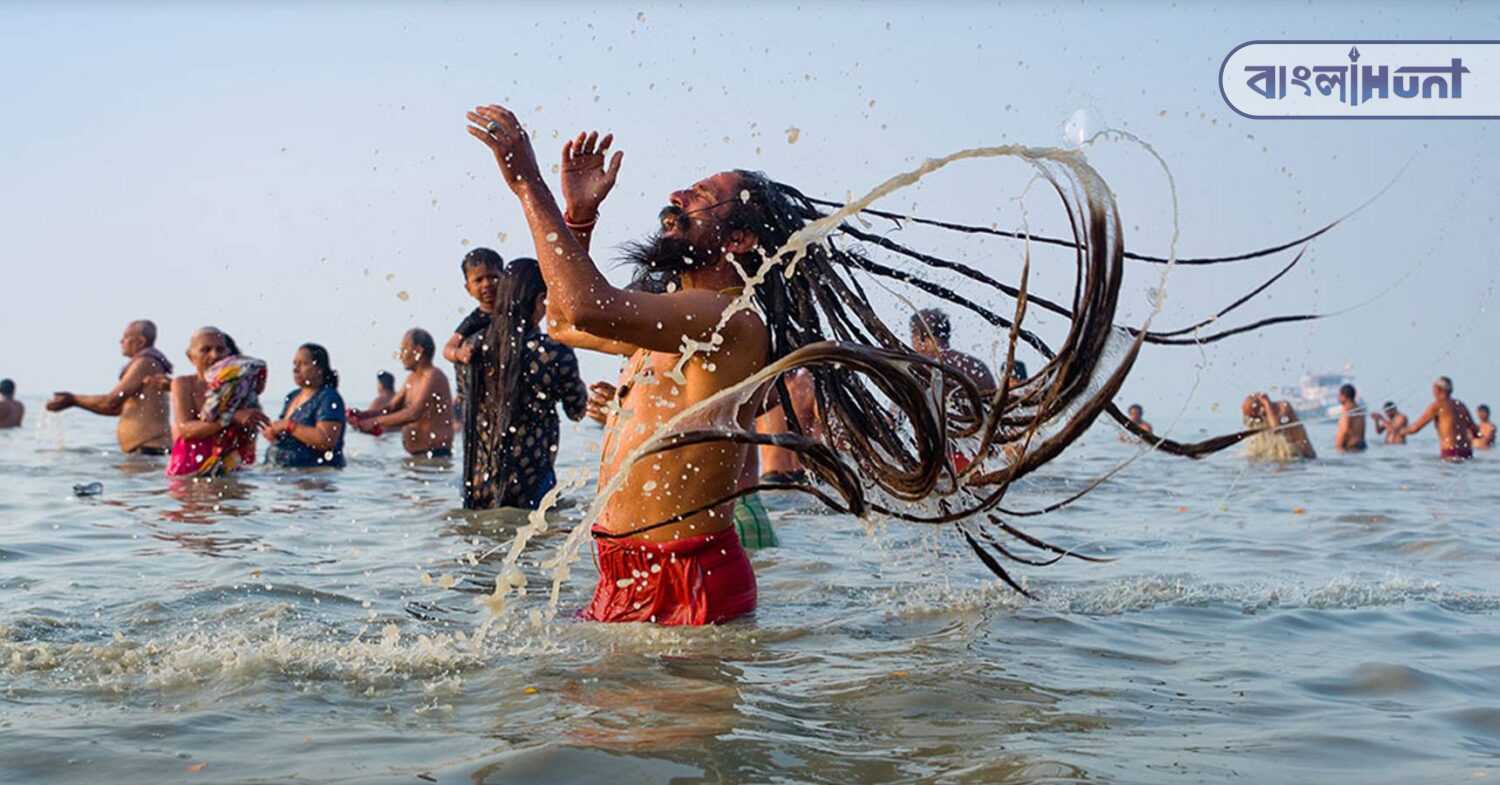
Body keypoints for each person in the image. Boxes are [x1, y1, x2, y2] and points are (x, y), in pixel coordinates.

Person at [461, 257, 588, 509]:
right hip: (532, 482)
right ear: (540, 299)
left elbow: (466, 402)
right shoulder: (551, 351)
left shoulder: (473, 348)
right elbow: (577, 410)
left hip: (478, 485)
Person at [46, 320, 173, 454]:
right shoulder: (146, 363)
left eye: (125, 337)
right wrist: (74, 403)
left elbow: (112, 401)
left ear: (140, 341)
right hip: (145, 451)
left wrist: (73, 399)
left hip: (150, 450)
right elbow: (115, 408)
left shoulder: (145, 362)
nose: (121, 341)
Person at [167, 327, 269, 477]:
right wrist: (232, 417)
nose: (214, 355)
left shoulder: (240, 385)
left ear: (230, 354)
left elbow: (250, 425)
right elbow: (186, 429)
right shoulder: (183, 384)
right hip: (191, 466)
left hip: (232, 464)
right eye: (205, 350)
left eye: (220, 350)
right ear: (191, 357)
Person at [351, 329, 454, 457]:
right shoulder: (411, 378)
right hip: (417, 457)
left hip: (435, 457)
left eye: (404, 349)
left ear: (418, 351)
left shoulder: (434, 376)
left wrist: (375, 422)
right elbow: (390, 409)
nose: (400, 355)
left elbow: (414, 413)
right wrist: (362, 416)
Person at [262, 343, 347, 468]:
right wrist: (273, 432)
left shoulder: (328, 398)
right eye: (295, 364)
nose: (296, 369)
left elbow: (326, 441)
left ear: (319, 369)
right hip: (282, 473)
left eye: (303, 364)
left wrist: (289, 425)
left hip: (314, 476)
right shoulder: (292, 396)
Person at [909, 308, 998, 392]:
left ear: (921, 337)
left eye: (913, 335)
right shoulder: (977, 366)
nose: (912, 342)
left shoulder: (924, 367)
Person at [1403, 376, 1477, 461]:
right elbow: (1475, 431)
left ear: (1438, 389)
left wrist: (1399, 431)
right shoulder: (1460, 405)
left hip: (1450, 452)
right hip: (1467, 452)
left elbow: (1415, 428)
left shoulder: (1437, 405)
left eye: (1433, 388)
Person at [1242, 392, 1317, 460]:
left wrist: (1266, 403)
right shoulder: (1266, 416)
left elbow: (1277, 429)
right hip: (1290, 458)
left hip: (1305, 456)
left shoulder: (1283, 407)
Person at [1333, 383, 1367, 452]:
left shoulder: (1346, 409)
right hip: (1361, 444)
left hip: (1350, 447)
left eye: (1339, 395)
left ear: (1344, 396)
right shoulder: (1359, 409)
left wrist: (1338, 447)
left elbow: (1344, 430)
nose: (1338, 398)